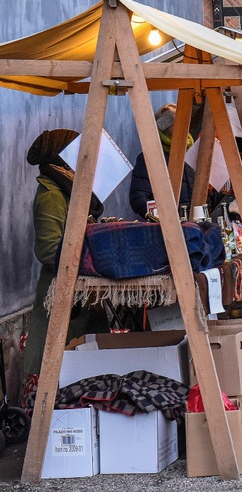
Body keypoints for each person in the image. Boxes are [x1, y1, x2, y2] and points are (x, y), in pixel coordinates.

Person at [22, 130, 109, 405]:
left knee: (85, 370)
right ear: (62, 155)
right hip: (62, 299)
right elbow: (48, 249)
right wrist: (89, 251)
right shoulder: (51, 194)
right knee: (62, 378)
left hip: (80, 296)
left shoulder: (69, 187)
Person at [129, 103, 196, 218]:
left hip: (198, 222)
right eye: (174, 124)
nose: (182, 127)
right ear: (163, 127)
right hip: (170, 226)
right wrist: (163, 218)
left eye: (183, 123)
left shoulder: (193, 151)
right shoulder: (151, 158)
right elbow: (138, 197)